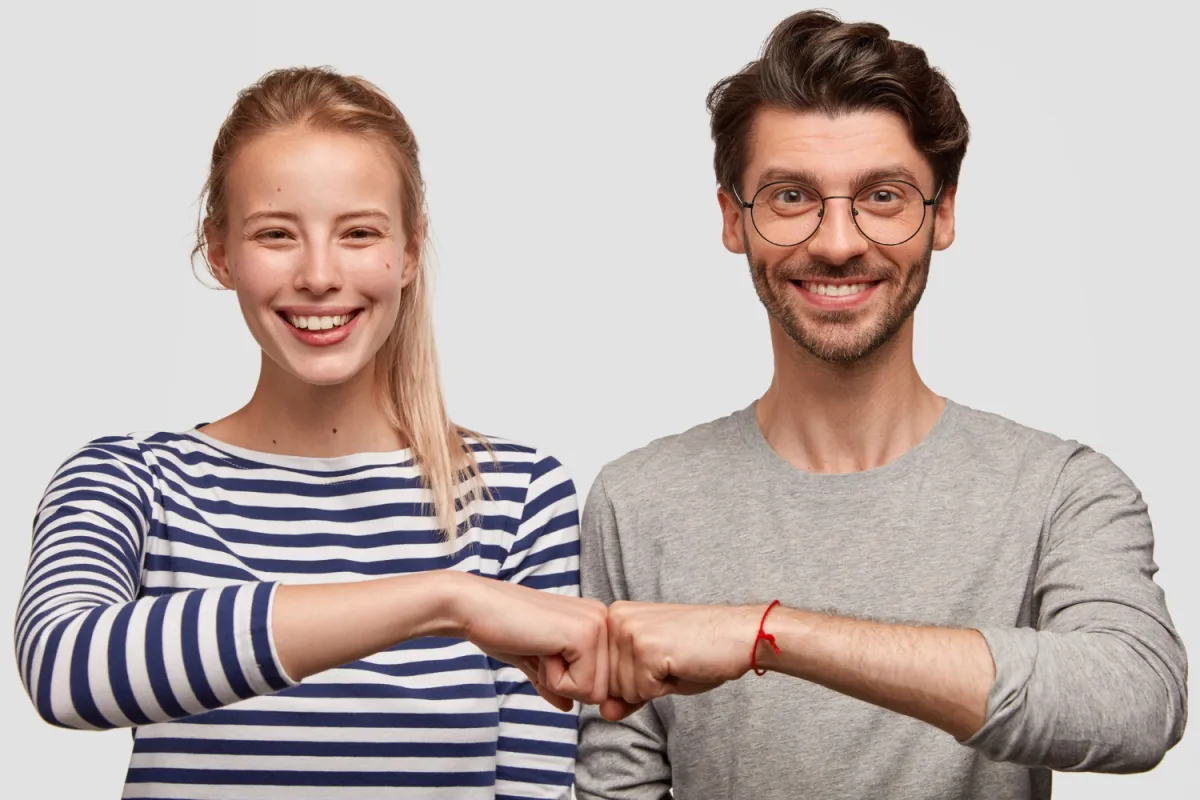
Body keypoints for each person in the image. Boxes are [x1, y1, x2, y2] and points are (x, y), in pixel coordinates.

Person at [575, 10, 1187, 800]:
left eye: (884, 196)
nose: (837, 241)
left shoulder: (1061, 491)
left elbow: (1136, 705)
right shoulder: (638, 501)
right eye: (791, 195)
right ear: (734, 219)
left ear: (944, 214)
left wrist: (767, 633)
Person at [13, 66, 610, 799]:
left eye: (359, 233)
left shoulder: (519, 498)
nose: (320, 275)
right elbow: (66, 670)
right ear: (221, 251)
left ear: (411, 252)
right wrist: (446, 601)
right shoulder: (130, 479)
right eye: (276, 235)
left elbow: (535, 786)